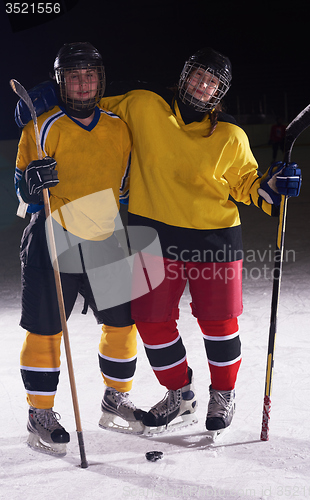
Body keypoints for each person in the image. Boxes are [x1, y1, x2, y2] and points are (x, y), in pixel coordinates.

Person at [15, 47, 302, 438]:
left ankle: (185, 394)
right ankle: (55, 411)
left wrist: (274, 188)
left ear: (222, 91)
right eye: (199, 75)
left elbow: (249, 187)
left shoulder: (221, 134)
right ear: (183, 75)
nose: (203, 85)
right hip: (109, 234)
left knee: (173, 323)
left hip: (169, 236)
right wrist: (44, 104)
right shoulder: (138, 107)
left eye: (213, 82)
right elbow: (79, 111)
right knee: (112, 324)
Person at [14, 42, 146, 456]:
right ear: (61, 82)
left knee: (124, 324)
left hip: (105, 235)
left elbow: (124, 188)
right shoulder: (40, 127)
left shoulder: (118, 127)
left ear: (100, 79)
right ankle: (41, 413)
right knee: (47, 330)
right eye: (74, 75)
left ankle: (115, 399)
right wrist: (31, 185)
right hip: (54, 233)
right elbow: (21, 194)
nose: (83, 82)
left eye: (90, 74)